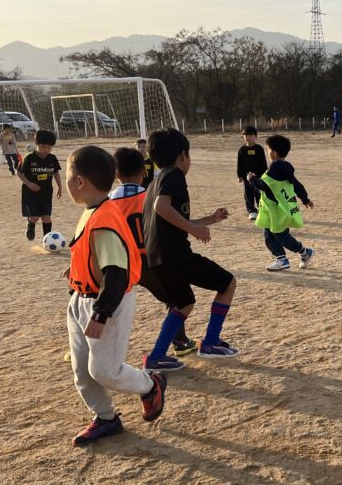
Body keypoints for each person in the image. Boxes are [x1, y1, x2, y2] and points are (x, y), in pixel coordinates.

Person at [64, 145, 167, 446]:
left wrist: (100, 314)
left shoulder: (105, 219)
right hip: (81, 300)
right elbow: (94, 255)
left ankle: (150, 384)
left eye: (68, 176)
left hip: (106, 303)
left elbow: (117, 274)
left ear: (80, 181)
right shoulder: (92, 211)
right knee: (83, 371)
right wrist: (77, 269)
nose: (66, 181)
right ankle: (106, 418)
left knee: (105, 371)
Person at [143, 128, 239, 366]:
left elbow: (170, 219)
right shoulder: (174, 175)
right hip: (175, 256)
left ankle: (155, 358)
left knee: (184, 303)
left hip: (157, 258)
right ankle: (211, 342)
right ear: (182, 155)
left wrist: (210, 219)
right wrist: (195, 231)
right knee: (227, 283)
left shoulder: (154, 182)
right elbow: (161, 207)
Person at [110, 147, 197, 356]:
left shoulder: (108, 202)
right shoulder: (150, 197)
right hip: (149, 261)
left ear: (116, 174)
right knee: (175, 300)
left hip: (119, 262)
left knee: (103, 302)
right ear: (143, 173)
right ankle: (180, 341)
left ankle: (83, 347)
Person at [248, 134, 314, 271]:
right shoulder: (286, 167)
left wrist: (252, 179)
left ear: (274, 152)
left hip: (278, 209)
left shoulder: (274, 167)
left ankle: (305, 252)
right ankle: (281, 259)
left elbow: (264, 185)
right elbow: (296, 185)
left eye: (268, 150)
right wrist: (305, 199)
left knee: (280, 235)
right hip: (272, 209)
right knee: (269, 234)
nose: (268, 153)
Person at [19, 129, 62, 242]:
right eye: (43, 147)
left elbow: (56, 173)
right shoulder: (29, 157)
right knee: (34, 217)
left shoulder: (52, 158)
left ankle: (47, 240)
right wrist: (29, 184)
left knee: (46, 217)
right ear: (36, 143)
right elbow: (19, 173)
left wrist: (59, 187)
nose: (45, 150)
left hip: (46, 193)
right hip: (30, 194)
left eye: (49, 148)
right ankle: (30, 225)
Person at [236, 125, 267, 221]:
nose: (248, 137)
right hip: (246, 177)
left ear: (255, 136)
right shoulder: (242, 150)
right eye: (246, 135)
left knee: (259, 193)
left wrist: (265, 175)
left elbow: (263, 163)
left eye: (250, 135)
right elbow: (239, 163)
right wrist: (239, 175)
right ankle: (252, 211)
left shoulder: (259, 149)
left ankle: (261, 210)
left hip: (258, 177)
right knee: (248, 194)